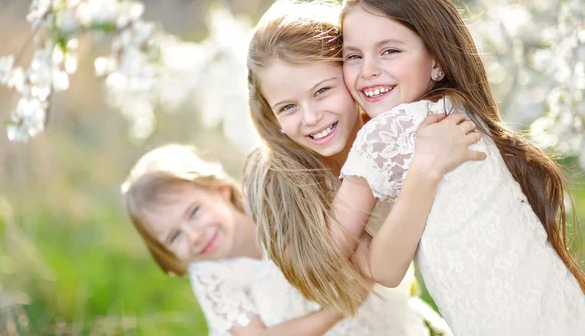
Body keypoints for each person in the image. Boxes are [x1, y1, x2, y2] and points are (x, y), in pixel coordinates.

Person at [246, 0, 585, 335]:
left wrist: (422, 172)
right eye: (355, 56)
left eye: (323, 90)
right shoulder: (455, 107)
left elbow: (354, 261)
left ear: (437, 60)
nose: (369, 71)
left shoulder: (387, 134)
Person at [121, 144, 448, 336]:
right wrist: (338, 309)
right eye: (174, 236)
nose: (194, 236)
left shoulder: (271, 208)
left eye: (194, 212)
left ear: (219, 191)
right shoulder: (211, 276)